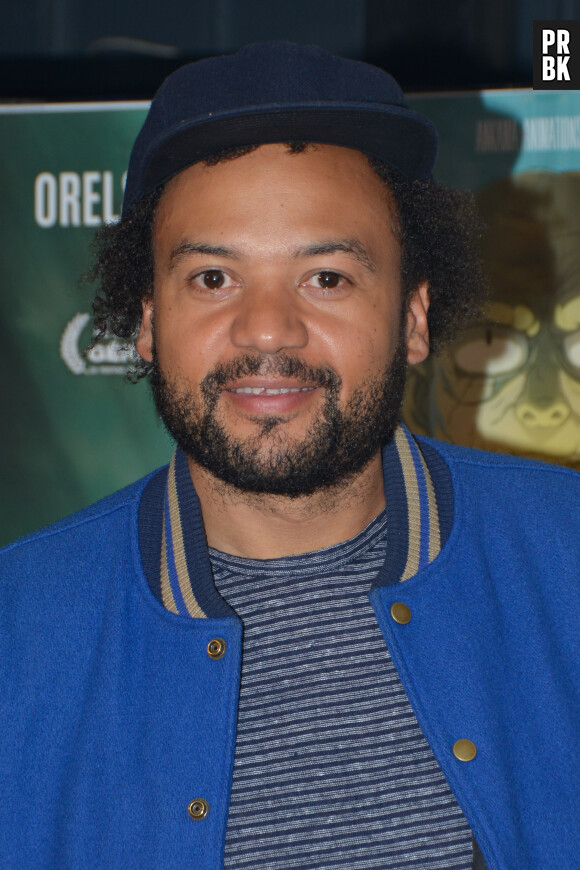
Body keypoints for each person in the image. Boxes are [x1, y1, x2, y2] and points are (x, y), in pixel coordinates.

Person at [0, 42, 578, 870]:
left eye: (327, 278)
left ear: (414, 318)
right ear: (148, 322)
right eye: (211, 279)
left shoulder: (566, 561)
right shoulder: (19, 635)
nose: (266, 329)